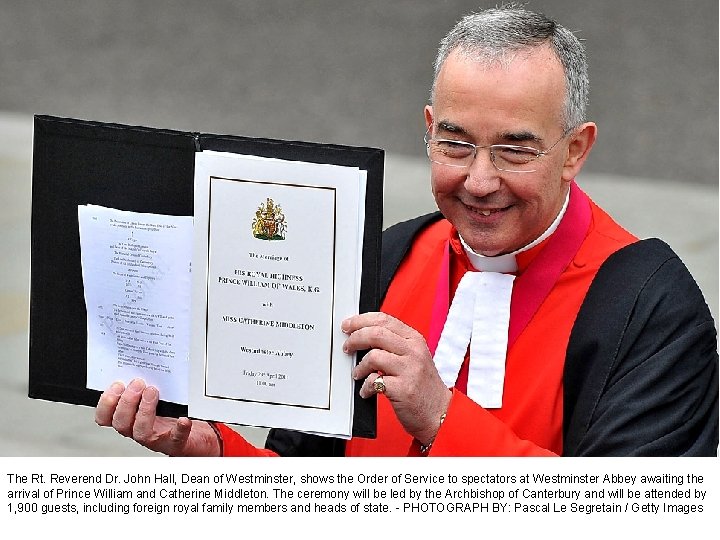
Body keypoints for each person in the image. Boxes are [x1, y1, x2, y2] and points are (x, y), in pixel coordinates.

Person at [95, 5, 718, 456]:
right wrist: (214, 455)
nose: (478, 180)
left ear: (575, 150)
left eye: (514, 150)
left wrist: (441, 417)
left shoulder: (652, 307)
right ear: (427, 129)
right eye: (455, 143)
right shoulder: (383, 260)